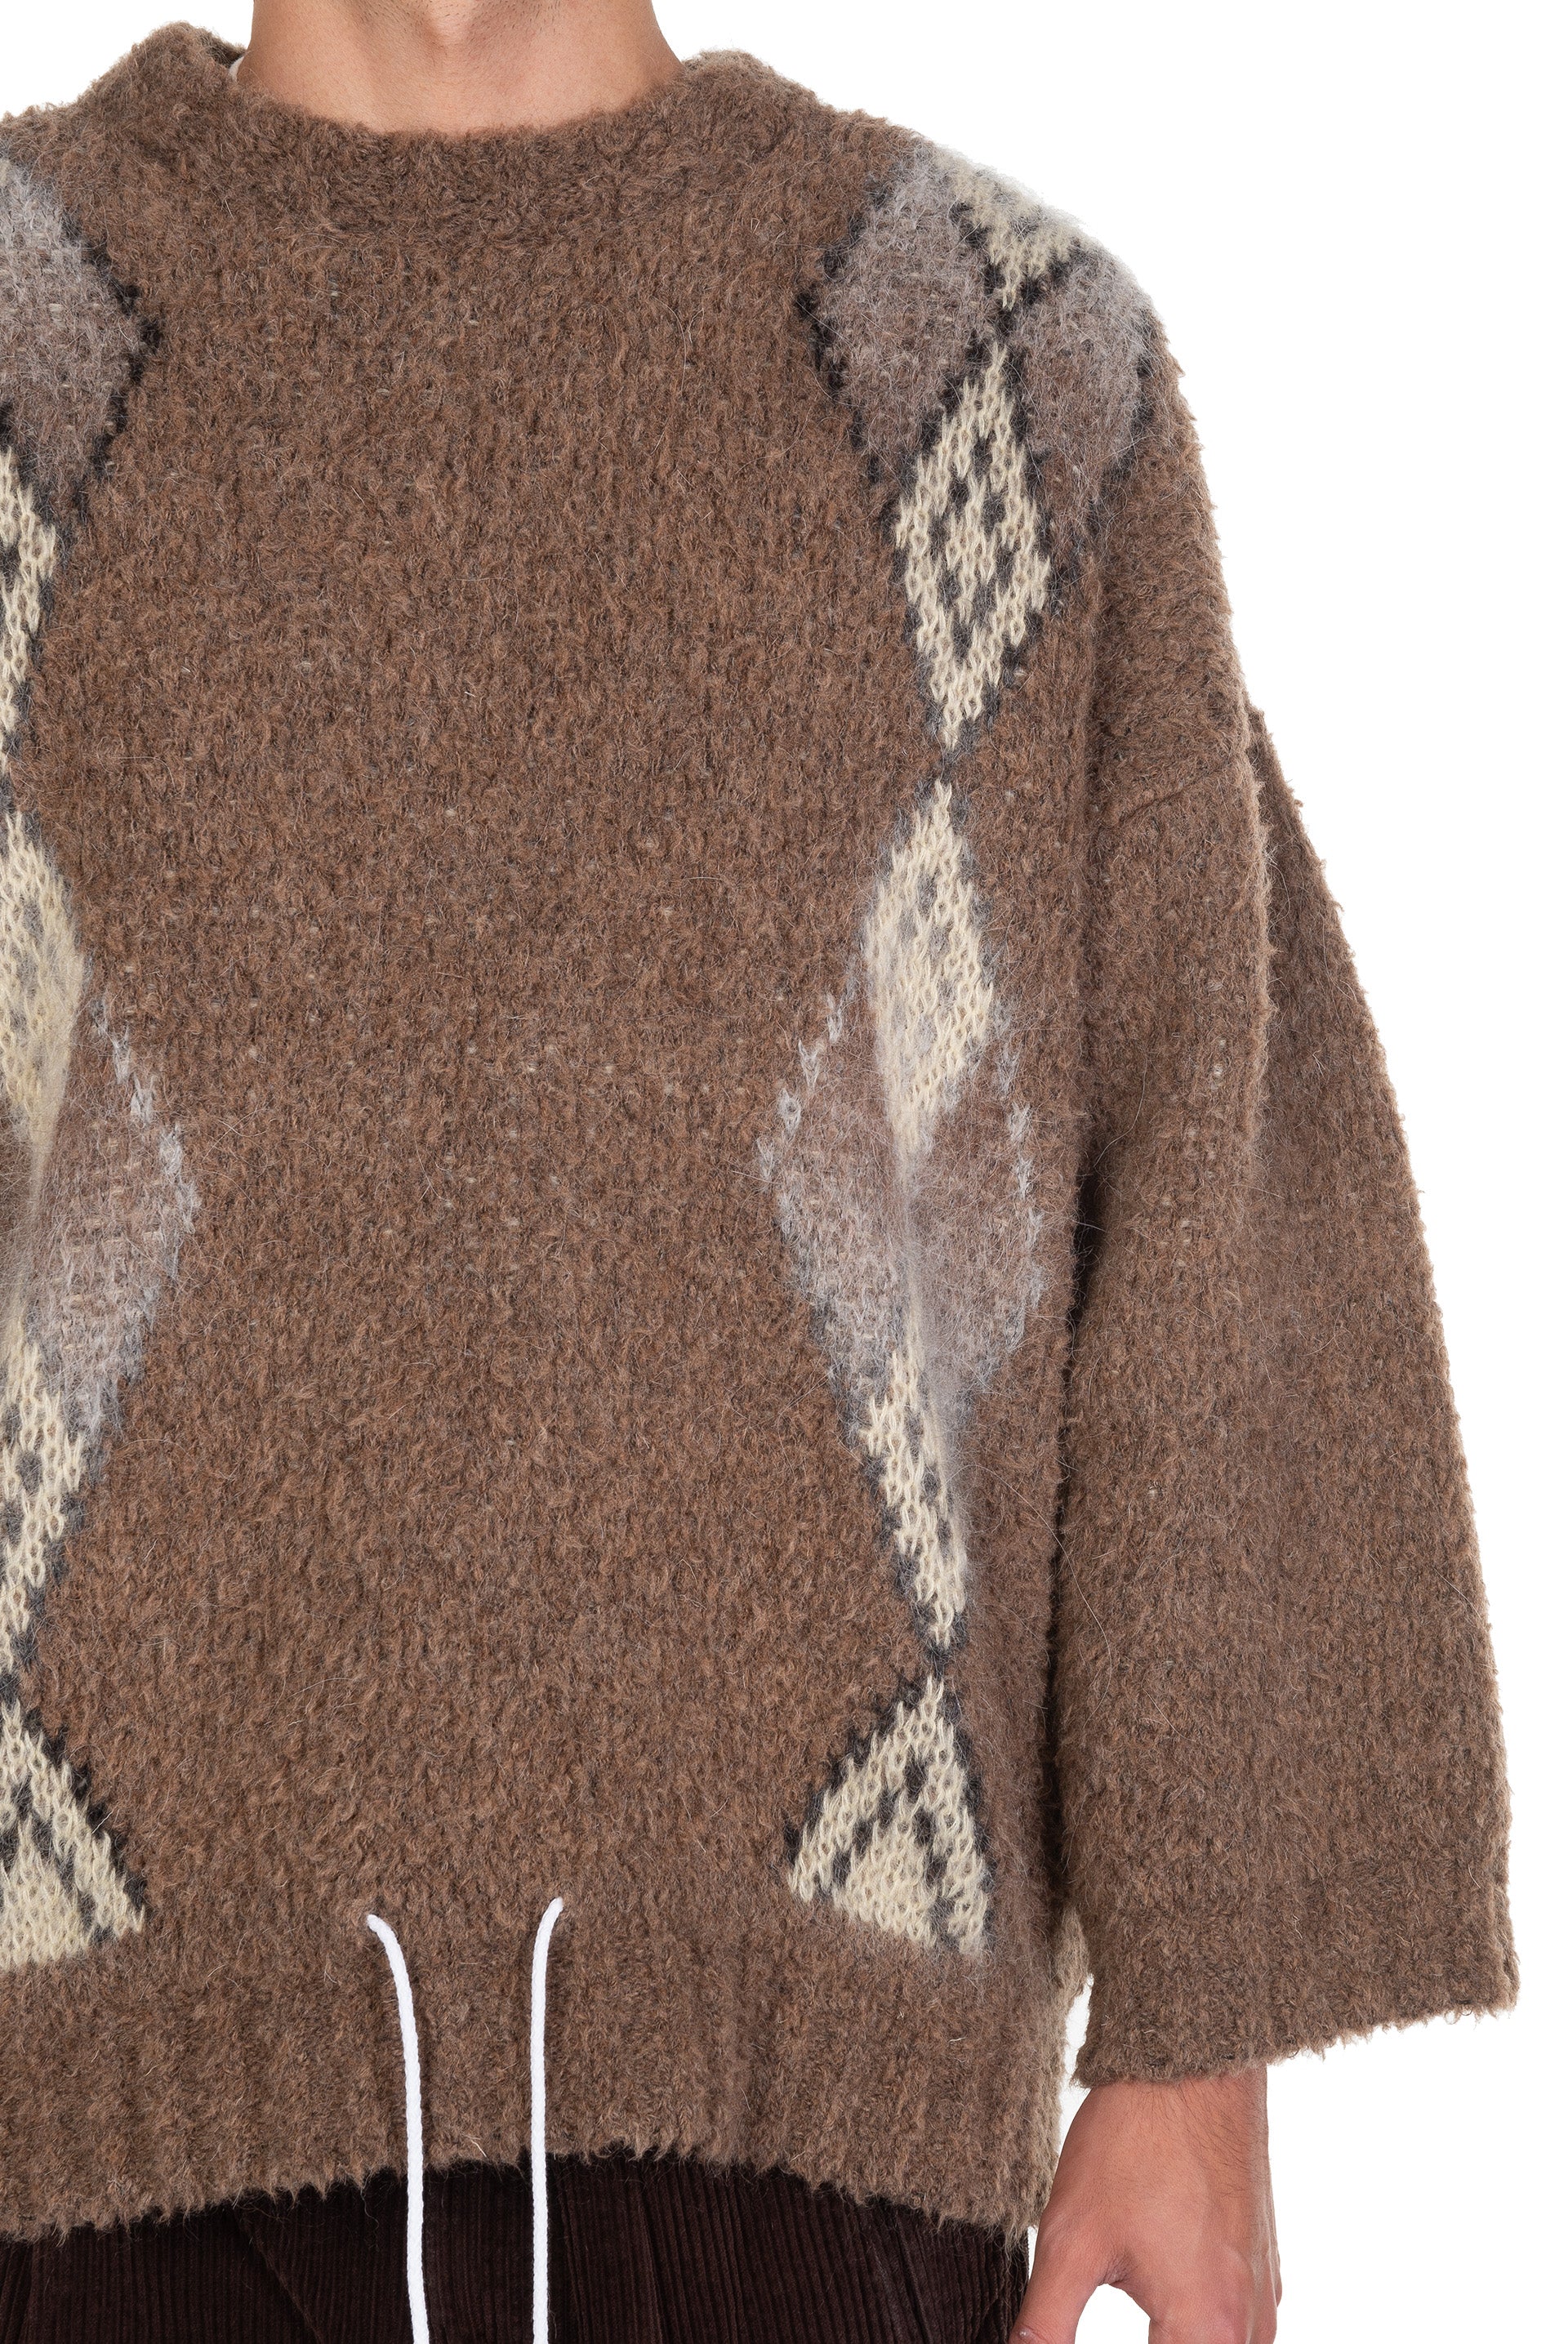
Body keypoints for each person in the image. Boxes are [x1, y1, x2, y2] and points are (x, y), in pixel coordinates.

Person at [0, 4, 1515, 2340]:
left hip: (814, 2182)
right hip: (72, 2157)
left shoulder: (995, 367)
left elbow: (1211, 1171)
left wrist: (1194, 2038)